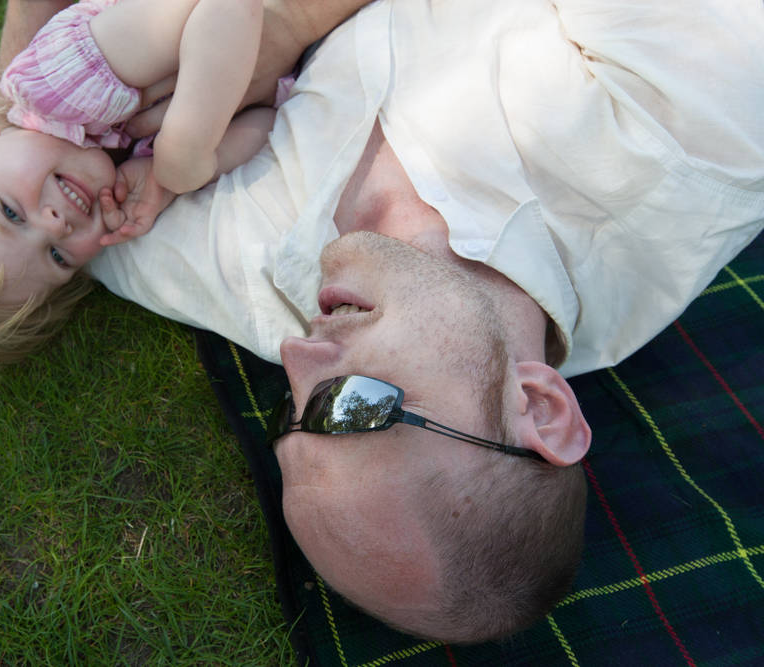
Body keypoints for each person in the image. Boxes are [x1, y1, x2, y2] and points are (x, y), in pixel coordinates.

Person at [78, 0, 764, 641]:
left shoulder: (256, 284)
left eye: (289, 415)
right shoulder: (687, 138)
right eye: (349, 408)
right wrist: (287, 23)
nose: (294, 354)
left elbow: (47, 204)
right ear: (539, 406)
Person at [0, 0, 273, 365]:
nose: (54, 225)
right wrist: (167, 182)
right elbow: (266, 122)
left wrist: (183, 147)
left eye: (10, 212)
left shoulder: (65, 81)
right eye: (57, 256)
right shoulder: (120, 169)